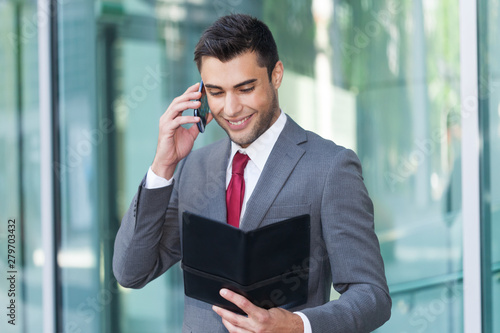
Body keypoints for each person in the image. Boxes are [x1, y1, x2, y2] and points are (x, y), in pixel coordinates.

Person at [113, 13, 391, 333]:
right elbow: (131, 272)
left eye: (245, 88)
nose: (231, 109)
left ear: (276, 75)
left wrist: (298, 325)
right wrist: (162, 167)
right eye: (216, 92)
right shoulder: (192, 168)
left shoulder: (330, 168)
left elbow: (372, 295)